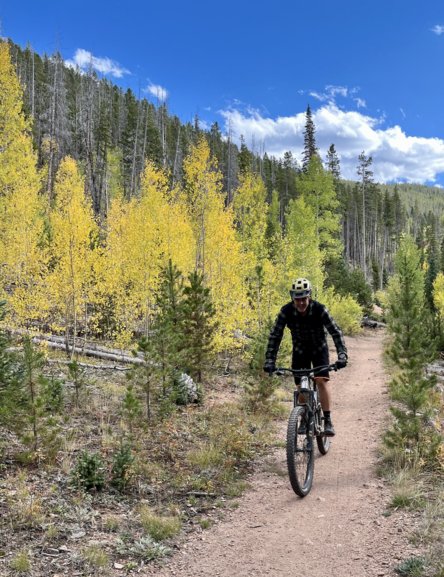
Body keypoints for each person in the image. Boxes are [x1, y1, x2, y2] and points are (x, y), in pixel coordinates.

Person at [263, 277, 347, 436]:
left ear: (309, 296)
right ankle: (303, 417)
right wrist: (270, 360)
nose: (301, 303)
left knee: (321, 380)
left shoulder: (320, 309)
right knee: (301, 384)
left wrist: (342, 353)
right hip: (300, 351)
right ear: (292, 298)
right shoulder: (286, 311)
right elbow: (275, 336)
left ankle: (327, 420)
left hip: (319, 350)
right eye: (297, 299)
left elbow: (335, 332)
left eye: (304, 299)